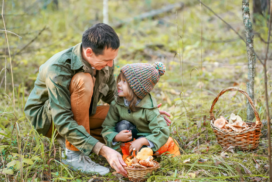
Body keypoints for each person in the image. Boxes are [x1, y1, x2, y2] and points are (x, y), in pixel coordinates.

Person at [24, 23, 171, 177]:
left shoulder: (104, 62)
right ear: (89, 52)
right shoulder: (58, 68)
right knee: (83, 80)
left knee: (125, 122)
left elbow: (113, 97)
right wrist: (104, 150)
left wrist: (143, 111)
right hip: (49, 120)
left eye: (113, 59)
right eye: (107, 60)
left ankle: (79, 139)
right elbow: (62, 119)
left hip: (83, 113)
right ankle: (74, 155)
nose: (110, 64)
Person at [101, 62, 180, 160]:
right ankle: (127, 155)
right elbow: (107, 127)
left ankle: (144, 156)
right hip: (128, 140)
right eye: (119, 80)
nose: (118, 84)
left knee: (160, 145)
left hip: (147, 141)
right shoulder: (116, 103)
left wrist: (143, 141)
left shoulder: (149, 108)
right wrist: (116, 137)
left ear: (136, 88)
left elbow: (162, 131)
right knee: (122, 125)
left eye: (124, 81)